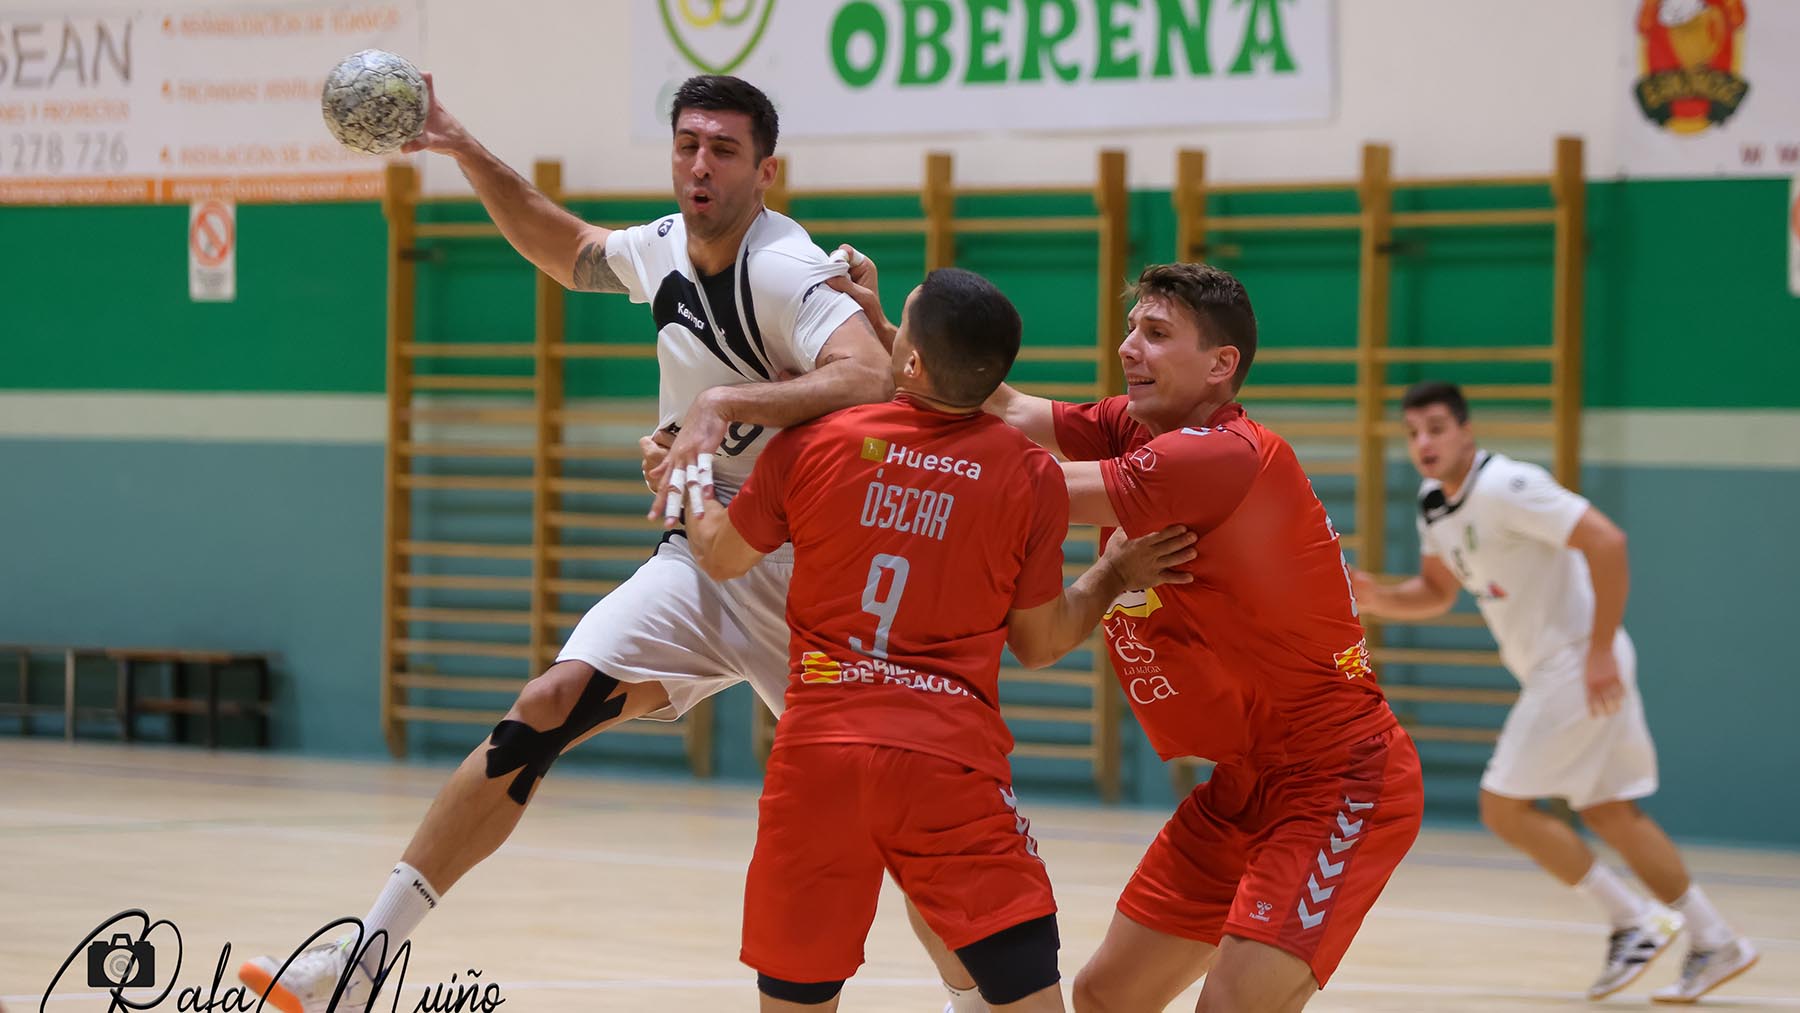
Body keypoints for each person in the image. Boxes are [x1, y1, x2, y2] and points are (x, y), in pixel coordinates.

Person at [234, 73, 947, 1013]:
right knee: (548, 703)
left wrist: (722, 408)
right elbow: (565, 246)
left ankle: (980, 997)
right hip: (699, 562)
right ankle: (359, 960)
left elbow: (863, 376)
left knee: (899, 807)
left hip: (808, 582)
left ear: (765, 169)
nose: (700, 164)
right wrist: (457, 142)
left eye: (724, 149)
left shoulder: (788, 269)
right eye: (688, 144)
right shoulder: (662, 249)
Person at [833, 256, 1424, 1013]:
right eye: (1129, 329)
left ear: (1221, 364)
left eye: (1154, 332)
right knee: (1108, 995)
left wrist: (854, 454)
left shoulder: (1217, 455)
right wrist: (899, 333)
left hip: (1340, 776)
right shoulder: (1136, 426)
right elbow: (1008, 410)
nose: (1127, 348)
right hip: (1245, 782)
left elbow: (1023, 487)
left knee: (1235, 1004)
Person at [685, 267, 1198, 1012]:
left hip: (819, 756)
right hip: (946, 761)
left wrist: (688, 479)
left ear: (913, 361)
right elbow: (1042, 640)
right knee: (1023, 990)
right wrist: (1113, 571)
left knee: (797, 997)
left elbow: (720, 554)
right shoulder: (1028, 474)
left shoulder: (817, 441)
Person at [1350, 380, 1757, 1003]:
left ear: (1466, 432)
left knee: (1501, 807)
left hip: (1576, 664)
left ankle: (1634, 920)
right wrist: (1377, 596)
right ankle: (1715, 939)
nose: (1423, 443)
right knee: (1608, 810)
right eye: (1412, 433)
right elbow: (1435, 592)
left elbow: (1607, 541)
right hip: (1566, 667)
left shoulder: (1509, 486)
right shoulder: (1435, 503)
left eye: (1435, 428)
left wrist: (1597, 650)